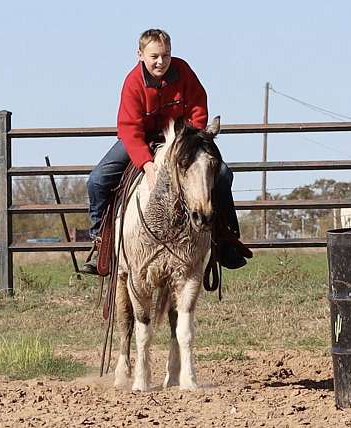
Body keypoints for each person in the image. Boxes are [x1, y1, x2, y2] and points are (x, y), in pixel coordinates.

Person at [82, 29, 247, 275]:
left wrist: (192, 138)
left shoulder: (183, 72)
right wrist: (147, 165)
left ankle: (226, 238)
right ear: (140, 55)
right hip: (142, 140)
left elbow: (198, 107)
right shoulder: (133, 83)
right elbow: (129, 128)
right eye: (154, 56)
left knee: (222, 174)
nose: (161, 61)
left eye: (166, 55)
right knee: (97, 181)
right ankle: (101, 243)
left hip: (181, 139)